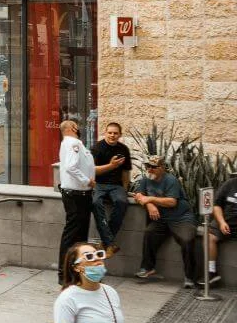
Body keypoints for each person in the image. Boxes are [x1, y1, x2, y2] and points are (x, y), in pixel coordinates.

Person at [132, 155, 199, 287]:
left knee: (187, 240)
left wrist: (150, 200)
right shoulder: (146, 179)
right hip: (161, 219)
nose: (150, 169)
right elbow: (139, 195)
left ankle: (190, 277)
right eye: (148, 166)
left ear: (162, 168)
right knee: (149, 233)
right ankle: (148, 268)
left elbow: (172, 202)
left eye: (153, 167)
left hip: (181, 218)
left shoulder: (170, 180)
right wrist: (149, 205)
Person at [57, 120, 97, 283]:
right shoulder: (73, 143)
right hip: (76, 194)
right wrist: (86, 180)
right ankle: (65, 272)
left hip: (79, 194)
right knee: (74, 234)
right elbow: (71, 167)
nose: (79, 128)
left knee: (78, 234)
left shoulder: (69, 143)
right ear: (72, 128)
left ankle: (74, 270)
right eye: (76, 126)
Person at [90, 122, 132, 257]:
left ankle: (106, 242)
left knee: (122, 202)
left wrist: (125, 189)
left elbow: (126, 171)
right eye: (110, 133)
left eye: (115, 133)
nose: (112, 135)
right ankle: (109, 243)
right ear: (105, 132)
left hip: (116, 185)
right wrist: (111, 165)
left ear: (120, 134)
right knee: (96, 203)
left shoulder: (124, 149)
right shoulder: (96, 148)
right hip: (99, 184)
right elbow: (92, 170)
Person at [205, 171, 237, 287]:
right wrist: (222, 222)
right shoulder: (230, 184)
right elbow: (217, 205)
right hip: (226, 222)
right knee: (209, 236)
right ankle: (212, 273)